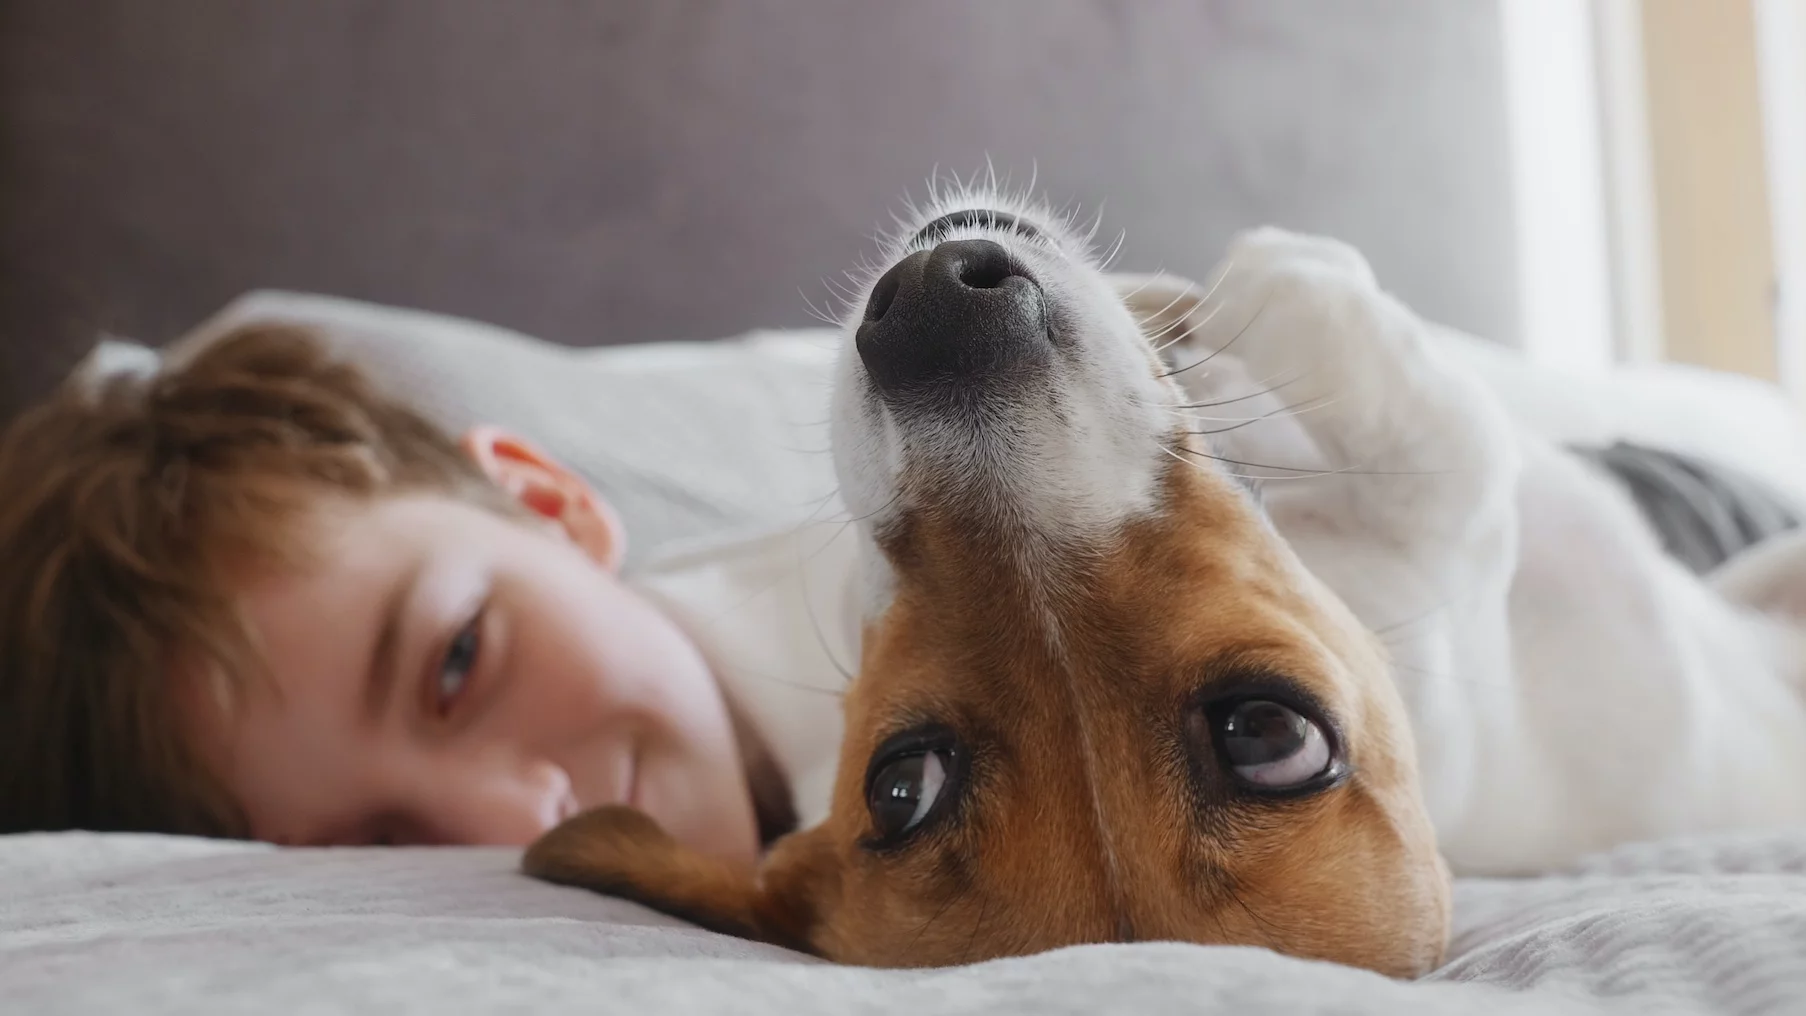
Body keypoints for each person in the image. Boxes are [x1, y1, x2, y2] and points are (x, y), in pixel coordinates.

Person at [0, 323, 855, 864]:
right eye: (375, 849)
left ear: (548, 505)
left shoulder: (943, 595)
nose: (520, 822)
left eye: (457, 661)